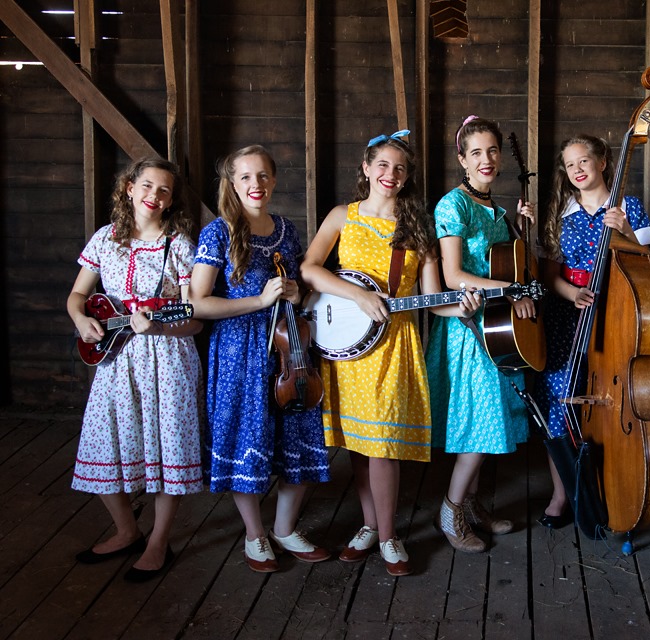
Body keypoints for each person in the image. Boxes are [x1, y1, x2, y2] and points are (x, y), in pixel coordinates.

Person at [300, 131, 480, 576]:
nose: (390, 174)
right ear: (366, 168)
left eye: (399, 168)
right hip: (344, 345)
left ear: (407, 176)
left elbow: (434, 300)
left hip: (392, 345)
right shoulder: (342, 216)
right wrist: (359, 296)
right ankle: (369, 525)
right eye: (382, 164)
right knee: (359, 445)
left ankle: (387, 537)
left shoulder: (416, 227)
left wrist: (464, 307)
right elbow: (310, 269)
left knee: (382, 445)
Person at [190, 145, 330, 573]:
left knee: (300, 438)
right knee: (244, 439)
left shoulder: (286, 230)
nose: (257, 185)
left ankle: (284, 528)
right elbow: (198, 303)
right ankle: (255, 535)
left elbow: (302, 290)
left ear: (274, 180)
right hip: (240, 351)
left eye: (264, 176)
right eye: (247, 177)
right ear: (233, 183)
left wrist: (296, 292)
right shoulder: (218, 233)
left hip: (291, 350)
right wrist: (258, 301)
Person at [69, 158, 203, 582]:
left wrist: (159, 325)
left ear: (171, 200)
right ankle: (127, 531)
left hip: (168, 358)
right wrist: (81, 320)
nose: (153, 196)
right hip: (115, 359)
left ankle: (159, 541)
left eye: (163, 190)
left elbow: (195, 318)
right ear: (129, 188)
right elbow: (77, 296)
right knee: (103, 443)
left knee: (167, 448)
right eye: (146, 186)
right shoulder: (105, 239)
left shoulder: (178, 245)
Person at [533, 134, 650, 528]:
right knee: (560, 400)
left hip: (616, 315)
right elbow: (550, 275)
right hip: (568, 316)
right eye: (570, 165)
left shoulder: (629, 207)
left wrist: (627, 232)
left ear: (603, 162)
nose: (578, 170)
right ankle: (563, 492)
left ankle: (611, 486)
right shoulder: (561, 213)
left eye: (584, 161)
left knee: (610, 401)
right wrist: (573, 294)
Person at [426, 115, 536, 552]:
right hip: (467, 329)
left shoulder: (500, 211)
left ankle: (471, 507)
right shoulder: (452, 206)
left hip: (498, 328)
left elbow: (510, 263)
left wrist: (522, 231)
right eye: (476, 153)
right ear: (462, 159)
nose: (486, 159)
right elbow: (454, 276)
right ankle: (450, 512)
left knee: (487, 426)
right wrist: (512, 290)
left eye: (492, 151)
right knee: (477, 425)